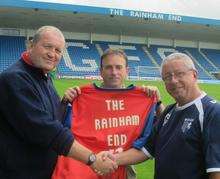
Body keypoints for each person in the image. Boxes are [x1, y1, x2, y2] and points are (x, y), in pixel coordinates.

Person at [0, 26, 117, 179]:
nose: (52, 54)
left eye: (57, 50)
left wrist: (64, 103)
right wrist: (92, 159)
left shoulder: (44, 76)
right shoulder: (15, 79)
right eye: (47, 46)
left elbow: (53, 117)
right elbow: (46, 130)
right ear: (31, 45)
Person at [52, 48, 164, 179]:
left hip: (123, 167)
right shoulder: (80, 96)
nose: (114, 72)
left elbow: (164, 128)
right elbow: (57, 130)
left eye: (118, 67)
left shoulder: (143, 98)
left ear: (126, 71)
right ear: (101, 71)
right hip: (86, 166)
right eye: (109, 67)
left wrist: (158, 102)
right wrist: (65, 102)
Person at [112, 52, 220, 179]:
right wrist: (111, 159)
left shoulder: (212, 112)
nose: (173, 81)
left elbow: (216, 170)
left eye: (180, 74)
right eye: (167, 77)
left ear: (194, 75)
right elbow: (145, 150)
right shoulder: (168, 111)